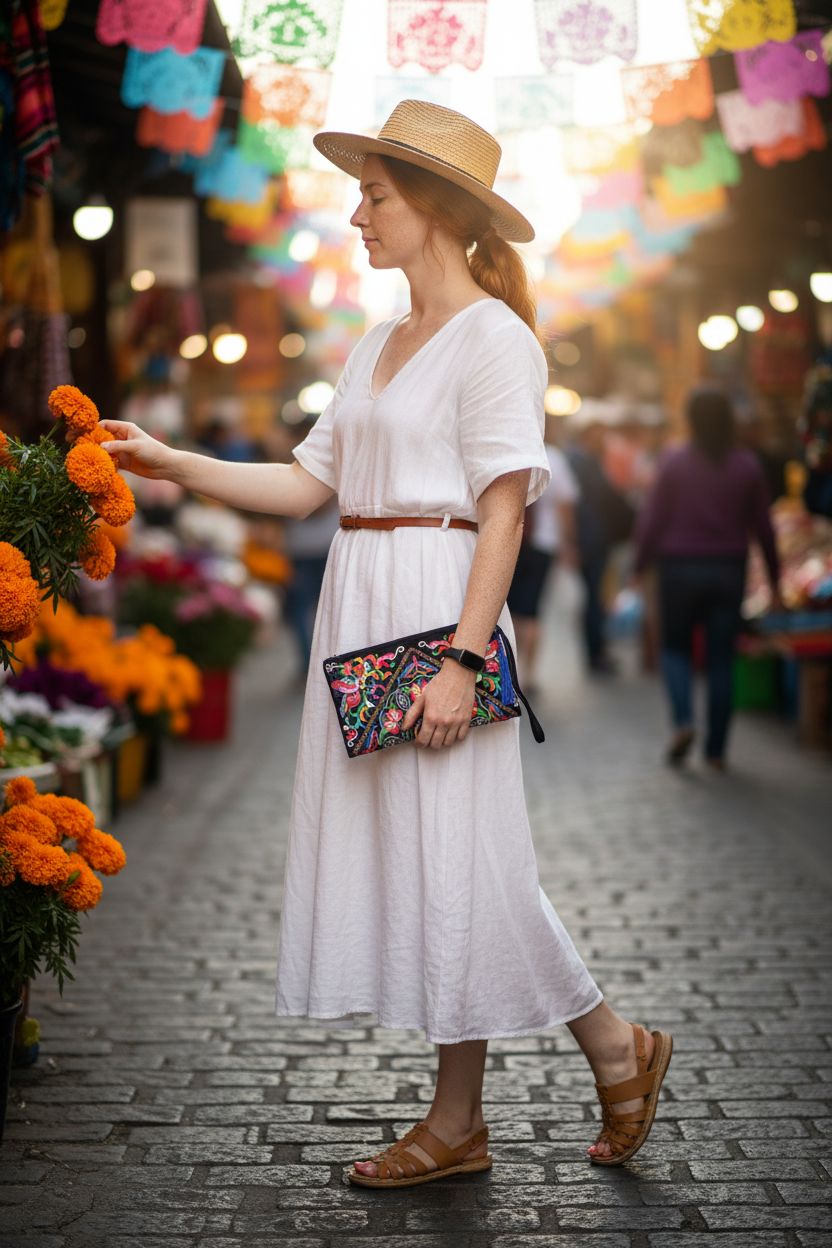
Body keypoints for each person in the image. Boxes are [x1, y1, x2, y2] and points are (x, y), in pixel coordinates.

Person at [99, 100, 672, 1186]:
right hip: (365, 605)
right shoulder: (372, 344)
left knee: (464, 859)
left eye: (375, 195)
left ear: (439, 213)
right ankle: (573, 1066)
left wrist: (461, 661)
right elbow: (307, 486)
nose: (356, 213)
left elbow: (503, 511)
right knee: (435, 862)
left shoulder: (496, 340)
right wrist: (173, 464)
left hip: (437, 613)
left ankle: (502, 1101)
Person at [634, 386, 782, 769]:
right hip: (728, 570)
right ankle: (716, 751)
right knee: (720, 660)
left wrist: (639, 564)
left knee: (676, 650)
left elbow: (653, 519)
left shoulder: (674, 461)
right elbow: (764, 529)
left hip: (678, 568)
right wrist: (776, 582)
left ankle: (683, 722)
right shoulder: (746, 465)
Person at [507, 430, 579, 688]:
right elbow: (565, 504)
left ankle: (512, 669)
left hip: (508, 541)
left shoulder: (508, 451)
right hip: (543, 543)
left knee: (510, 609)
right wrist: (569, 543)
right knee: (532, 610)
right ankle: (529, 672)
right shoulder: (554, 457)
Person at [566, 417, 635, 675]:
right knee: (594, 596)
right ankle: (595, 652)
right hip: (592, 541)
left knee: (595, 595)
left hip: (593, 539)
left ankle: (597, 649)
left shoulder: (583, 460)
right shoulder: (582, 462)